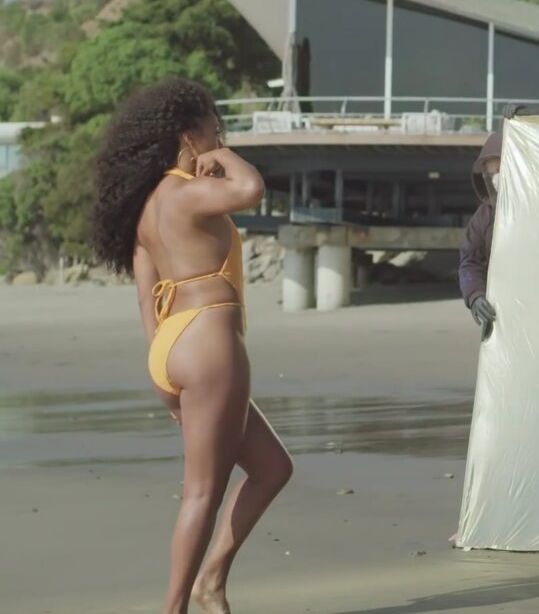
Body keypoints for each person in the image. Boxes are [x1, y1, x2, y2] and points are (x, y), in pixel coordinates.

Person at [93, 77, 293, 614]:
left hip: (170, 347)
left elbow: (145, 298)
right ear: (187, 134)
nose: (220, 133)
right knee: (203, 492)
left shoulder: (145, 210)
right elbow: (251, 189)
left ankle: (210, 584)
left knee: (272, 467)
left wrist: (161, 375)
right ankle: (175, 607)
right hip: (209, 342)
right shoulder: (186, 192)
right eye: (213, 126)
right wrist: (222, 156)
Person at [458, 132, 502, 341]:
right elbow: (470, 263)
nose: (496, 178)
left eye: (501, 170)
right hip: (502, 314)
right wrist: (476, 296)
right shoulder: (484, 218)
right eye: (491, 173)